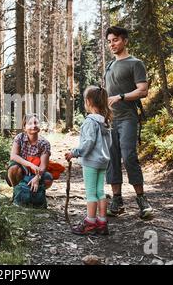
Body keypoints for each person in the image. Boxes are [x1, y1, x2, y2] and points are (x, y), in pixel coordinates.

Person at [104, 26, 153, 219]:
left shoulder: (135, 63)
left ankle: (142, 200)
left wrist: (121, 97)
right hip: (110, 121)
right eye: (109, 41)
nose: (112, 44)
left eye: (115, 40)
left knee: (129, 156)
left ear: (124, 40)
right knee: (112, 159)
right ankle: (117, 201)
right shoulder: (109, 66)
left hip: (128, 119)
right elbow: (106, 94)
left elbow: (143, 90)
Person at [65, 85, 112, 235]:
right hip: (103, 161)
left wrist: (75, 153)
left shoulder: (90, 121)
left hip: (91, 162)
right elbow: (108, 143)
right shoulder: (105, 121)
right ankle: (102, 222)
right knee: (100, 191)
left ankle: (90, 222)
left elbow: (88, 143)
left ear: (89, 101)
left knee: (91, 193)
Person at [6, 114, 53, 193]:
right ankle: (16, 192)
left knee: (48, 179)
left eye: (36, 123)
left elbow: (43, 166)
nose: (33, 126)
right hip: (21, 169)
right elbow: (13, 156)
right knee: (13, 169)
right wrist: (30, 164)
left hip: (37, 171)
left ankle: (36, 194)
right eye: (30, 123)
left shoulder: (44, 143)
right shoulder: (19, 137)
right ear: (24, 127)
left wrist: (37, 177)